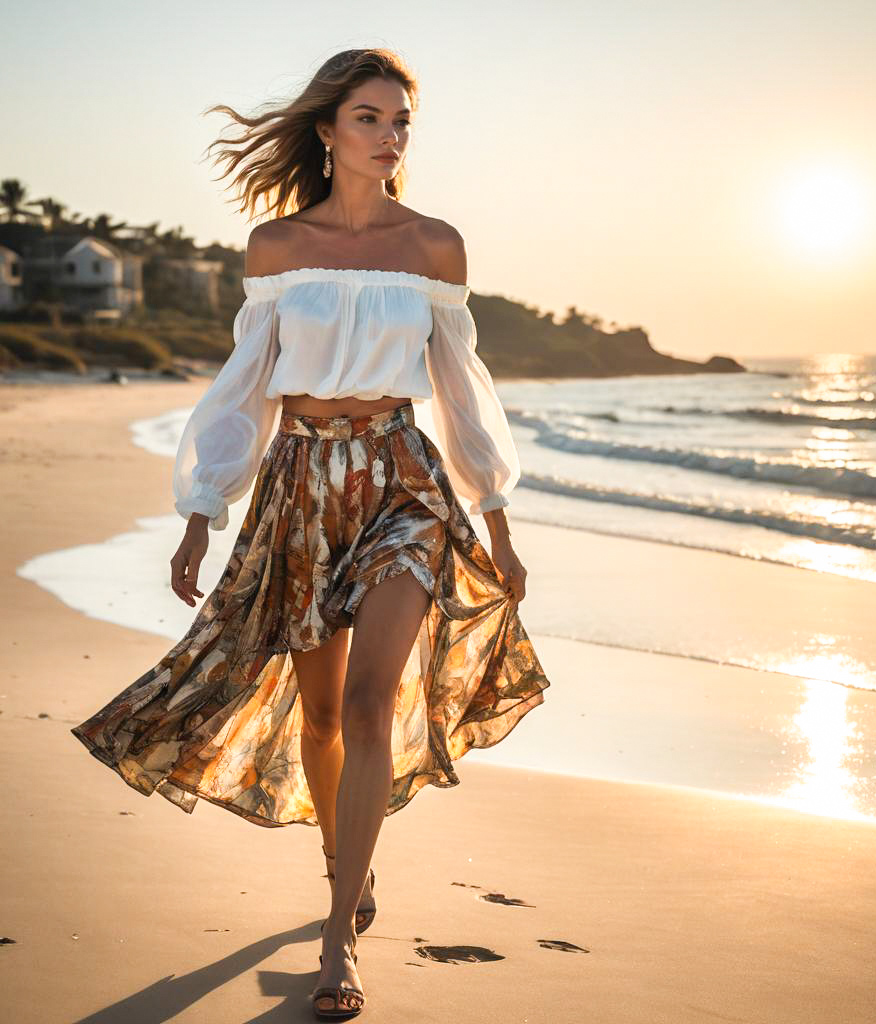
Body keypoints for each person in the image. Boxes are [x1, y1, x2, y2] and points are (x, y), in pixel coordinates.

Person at [71, 47, 550, 1021]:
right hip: (300, 484)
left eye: (401, 120)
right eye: (369, 117)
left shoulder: (435, 247)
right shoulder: (277, 247)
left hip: (403, 481)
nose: (389, 136)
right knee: (323, 716)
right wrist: (203, 511)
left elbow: (462, 392)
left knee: (373, 703)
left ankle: (339, 942)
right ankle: (345, 857)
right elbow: (245, 384)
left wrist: (495, 519)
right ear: (328, 130)